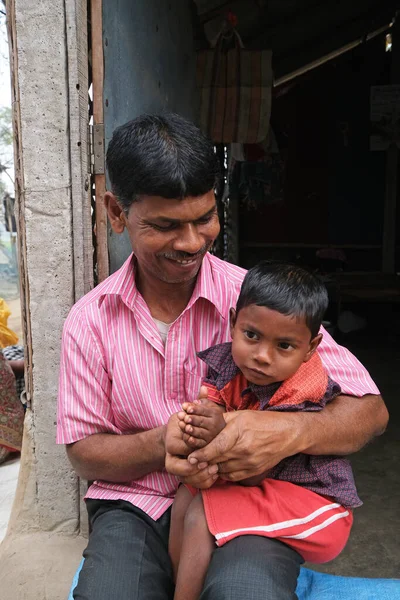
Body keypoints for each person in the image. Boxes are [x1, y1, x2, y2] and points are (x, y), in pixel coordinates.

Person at [57, 113, 388, 600]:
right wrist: (161, 443)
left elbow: (370, 412)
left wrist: (288, 431)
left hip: (247, 495)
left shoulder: (261, 306)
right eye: (166, 226)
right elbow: (84, 452)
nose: (191, 242)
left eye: (204, 219)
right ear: (116, 212)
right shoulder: (89, 321)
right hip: (137, 501)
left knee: (247, 591)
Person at [169, 261, 361, 600]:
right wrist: (195, 427)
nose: (261, 356)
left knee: (201, 513)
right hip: (259, 487)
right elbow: (211, 407)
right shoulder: (229, 363)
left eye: (284, 345)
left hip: (315, 505)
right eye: (252, 336)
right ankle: (180, 584)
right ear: (232, 324)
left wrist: (214, 433)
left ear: (311, 348)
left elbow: (253, 470)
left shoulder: (301, 391)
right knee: (185, 494)